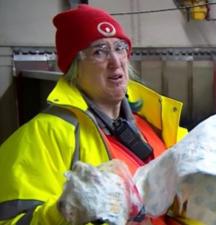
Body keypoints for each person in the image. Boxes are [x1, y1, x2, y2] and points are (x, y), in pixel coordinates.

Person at [0, 4, 198, 225]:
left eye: (120, 47)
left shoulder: (155, 125)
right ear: (75, 66)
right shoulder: (44, 135)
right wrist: (62, 212)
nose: (115, 61)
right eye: (99, 51)